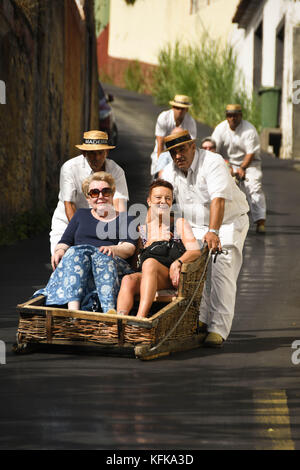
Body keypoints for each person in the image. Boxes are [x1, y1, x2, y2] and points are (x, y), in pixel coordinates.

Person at [161, 130, 250, 347]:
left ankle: (218, 329)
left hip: (228, 223)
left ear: (193, 146)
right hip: (194, 225)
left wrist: (214, 232)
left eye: (182, 149)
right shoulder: (169, 171)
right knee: (194, 272)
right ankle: (200, 320)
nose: (178, 156)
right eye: (173, 152)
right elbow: (164, 203)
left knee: (221, 271)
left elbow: (218, 200)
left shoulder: (213, 162)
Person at [35, 172, 137, 313]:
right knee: (75, 252)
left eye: (105, 192)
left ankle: (109, 312)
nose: (101, 196)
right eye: (95, 193)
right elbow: (65, 241)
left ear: (112, 195)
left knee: (102, 256)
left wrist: (112, 249)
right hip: (79, 263)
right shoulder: (81, 215)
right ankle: (74, 311)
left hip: (110, 262)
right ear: (88, 199)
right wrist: (59, 250)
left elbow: (129, 247)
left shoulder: (126, 218)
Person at [116, 179, 201, 318]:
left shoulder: (179, 223)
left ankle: (140, 319)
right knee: (128, 279)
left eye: (168, 198)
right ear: (149, 201)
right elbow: (136, 264)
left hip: (170, 276)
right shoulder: (142, 230)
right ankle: (120, 320)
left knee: (150, 264)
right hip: (149, 274)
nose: (163, 201)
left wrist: (177, 263)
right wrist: (149, 244)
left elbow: (195, 251)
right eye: (158, 197)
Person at [49, 130, 129, 254]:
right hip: (67, 224)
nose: (96, 158)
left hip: (104, 225)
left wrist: (120, 233)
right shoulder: (69, 168)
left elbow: (120, 205)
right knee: (61, 260)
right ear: (84, 153)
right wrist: (81, 232)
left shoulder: (117, 171)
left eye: (100, 153)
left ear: (106, 152)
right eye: (91, 153)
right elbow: (69, 204)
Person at [211, 104, 267, 234]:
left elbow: (250, 153)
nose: (232, 118)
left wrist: (242, 168)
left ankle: (260, 221)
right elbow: (214, 149)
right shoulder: (220, 129)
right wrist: (224, 166)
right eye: (229, 115)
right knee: (222, 188)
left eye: (235, 115)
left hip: (250, 164)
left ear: (240, 116)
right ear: (226, 116)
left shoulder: (249, 130)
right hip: (228, 163)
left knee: (253, 187)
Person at [150, 94, 197, 176]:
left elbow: (191, 145)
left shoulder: (190, 122)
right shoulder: (164, 117)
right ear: (172, 107)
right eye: (177, 108)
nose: (179, 111)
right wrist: (160, 165)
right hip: (163, 152)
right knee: (159, 177)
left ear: (187, 110)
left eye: (182, 108)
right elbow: (160, 143)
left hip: (181, 153)